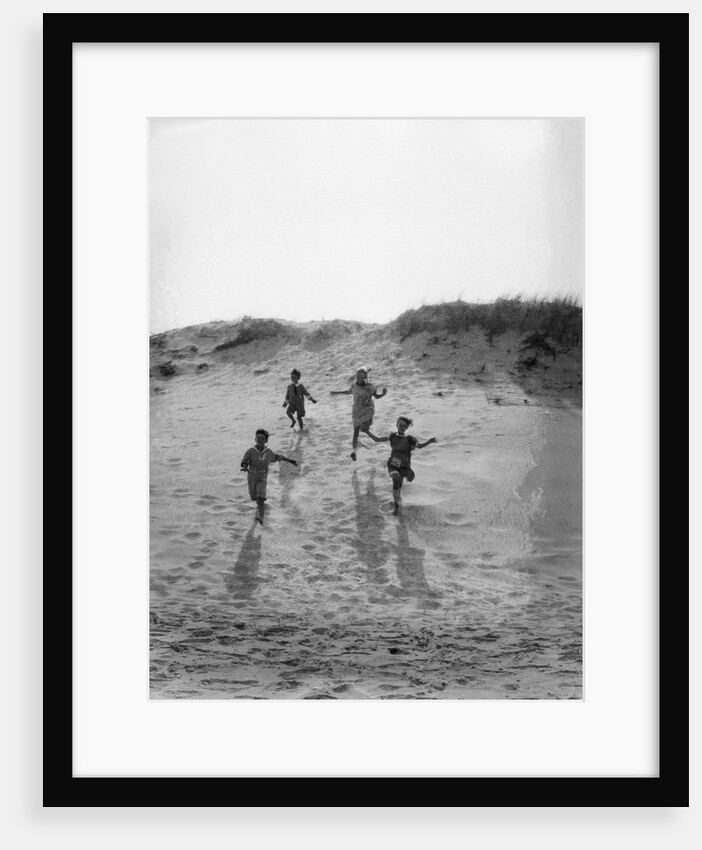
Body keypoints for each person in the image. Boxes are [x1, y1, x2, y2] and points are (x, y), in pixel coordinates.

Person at [366, 416, 437, 515]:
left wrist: (430, 441)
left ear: (407, 428)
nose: (402, 427)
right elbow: (377, 439)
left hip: (404, 466)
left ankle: (397, 500)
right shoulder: (392, 436)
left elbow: (419, 446)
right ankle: (396, 507)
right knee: (395, 480)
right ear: (397, 425)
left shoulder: (409, 439)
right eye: (400, 425)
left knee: (399, 486)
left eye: (404, 426)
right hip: (394, 464)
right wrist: (367, 432)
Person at [240, 429, 298, 524]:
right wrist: (245, 466)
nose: (260, 440)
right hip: (251, 477)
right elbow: (244, 460)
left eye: (262, 438)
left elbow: (278, 457)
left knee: (261, 497)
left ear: (266, 441)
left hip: (262, 476)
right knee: (254, 496)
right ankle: (259, 506)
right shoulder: (250, 451)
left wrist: (290, 460)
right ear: (255, 439)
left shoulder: (268, 452)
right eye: (258, 438)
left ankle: (261, 517)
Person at [330, 368, 387, 460]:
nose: (360, 379)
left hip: (368, 410)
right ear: (356, 377)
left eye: (362, 377)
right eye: (358, 377)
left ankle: (371, 440)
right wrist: (337, 392)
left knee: (365, 429)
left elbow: (376, 396)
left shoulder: (370, 387)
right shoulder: (354, 387)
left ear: (365, 377)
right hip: (356, 412)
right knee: (356, 431)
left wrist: (383, 394)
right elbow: (348, 392)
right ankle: (354, 451)